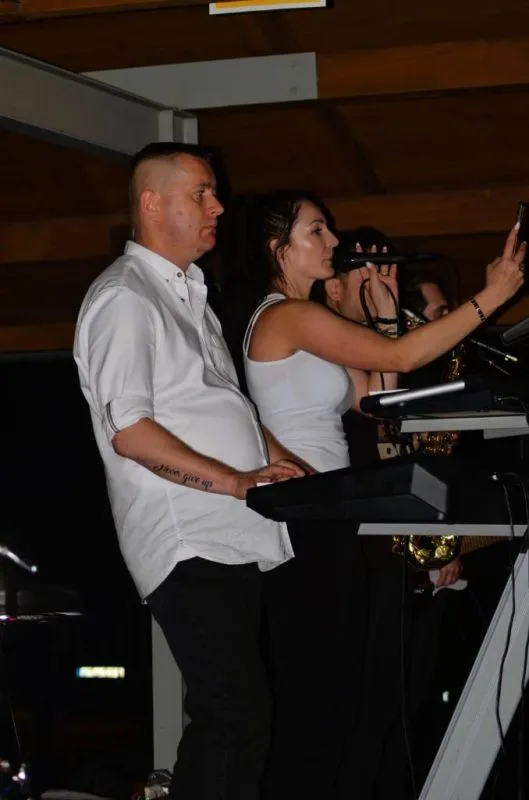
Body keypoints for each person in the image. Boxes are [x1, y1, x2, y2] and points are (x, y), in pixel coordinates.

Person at [220, 189, 524, 799]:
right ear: (278, 249)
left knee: (348, 700)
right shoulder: (285, 315)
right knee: (321, 706)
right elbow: (402, 354)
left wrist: (385, 314)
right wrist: (491, 297)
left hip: (334, 515)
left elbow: (379, 400)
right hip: (307, 519)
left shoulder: (307, 318)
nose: (333, 241)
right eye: (317, 231)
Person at [73, 143, 308, 800]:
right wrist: (234, 481)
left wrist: (287, 468)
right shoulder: (124, 296)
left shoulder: (188, 295)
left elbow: (224, 407)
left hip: (225, 532)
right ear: (152, 204)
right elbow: (129, 432)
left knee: (236, 714)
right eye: (201, 193)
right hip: (186, 533)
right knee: (234, 713)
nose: (218, 206)